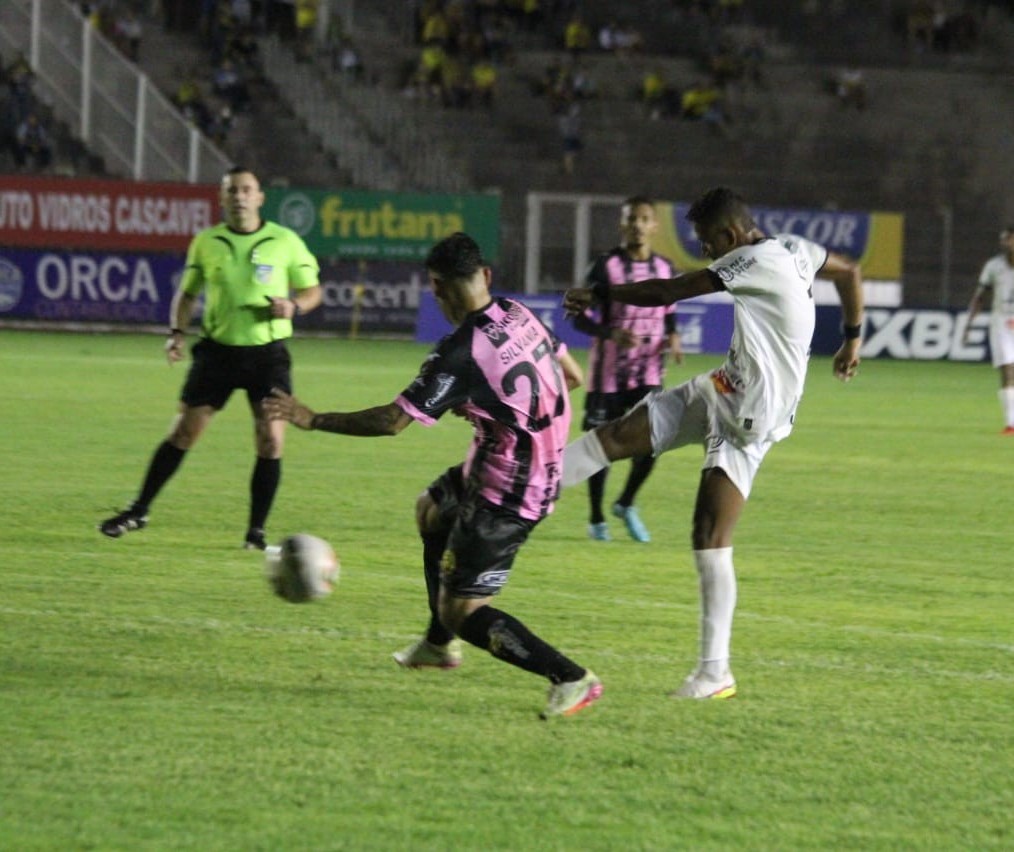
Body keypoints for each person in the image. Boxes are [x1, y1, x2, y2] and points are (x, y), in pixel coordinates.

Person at [263, 232, 603, 719]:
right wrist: (498, 409)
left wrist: (313, 418)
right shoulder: (518, 312)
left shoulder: (459, 351)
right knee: (431, 510)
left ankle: (570, 677)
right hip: (512, 464)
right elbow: (571, 377)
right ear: (485, 276)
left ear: (438, 288)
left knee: (464, 612)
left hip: (509, 491)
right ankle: (438, 646)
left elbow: (392, 422)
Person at [562, 187, 864, 700]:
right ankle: (523, 488)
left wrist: (603, 294)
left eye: (705, 241)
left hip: (749, 416)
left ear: (728, 235)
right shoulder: (795, 248)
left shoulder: (751, 259)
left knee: (709, 535)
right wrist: (852, 337)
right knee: (614, 436)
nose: (704, 250)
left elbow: (668, 293)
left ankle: (713, 672)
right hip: (724, 386)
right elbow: (851, 272)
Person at [99, 166, 322, 549]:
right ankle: (139, 510)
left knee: (270, 439)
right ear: (221, 198)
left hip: (267, 356)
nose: (239, 196)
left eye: (246, 190)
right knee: (183, 432)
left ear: (260, 197)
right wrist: (176, 334)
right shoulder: (206, 242)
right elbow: (187, 295)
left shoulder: (284, 241)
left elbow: (313, 290)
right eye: (232, 190)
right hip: (217, 353)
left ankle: (255, 532)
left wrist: (294, 305)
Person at [570, 195, 683, 543]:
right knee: (599, 447)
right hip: (607, 378)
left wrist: (674, 336)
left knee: (653, 442)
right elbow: (575, 313)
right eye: (631, 218)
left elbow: (669, 311)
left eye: (644, 218)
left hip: (648, 374)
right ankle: (596, 518)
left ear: (654, 226)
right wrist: (609, 333)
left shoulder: (665, 268)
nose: (637, 224)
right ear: (622, 224)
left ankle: (626, 503)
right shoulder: (605, 268)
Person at [961, 226, 1014, 434]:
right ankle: (1011, 423)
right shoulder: (994, 266)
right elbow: (980, 296)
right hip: (1001, 323)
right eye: (1004, 240)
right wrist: (968, 324)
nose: (1006, 243)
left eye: (1009, 239)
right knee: (1007, 370)